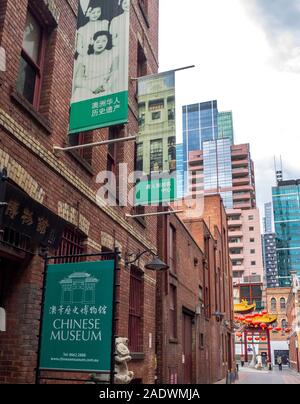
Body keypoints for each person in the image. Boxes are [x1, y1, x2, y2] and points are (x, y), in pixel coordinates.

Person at [72, 31, 116, 102]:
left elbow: (115, 73)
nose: (100, 44)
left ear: (107, 42)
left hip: (103, 91)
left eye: (104, 41)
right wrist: (91, 87)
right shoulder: (86, 58)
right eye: (97, 41)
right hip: (86, 90)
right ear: (93, 42)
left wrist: (105, 87)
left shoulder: (111, 55)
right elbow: (77, 80)